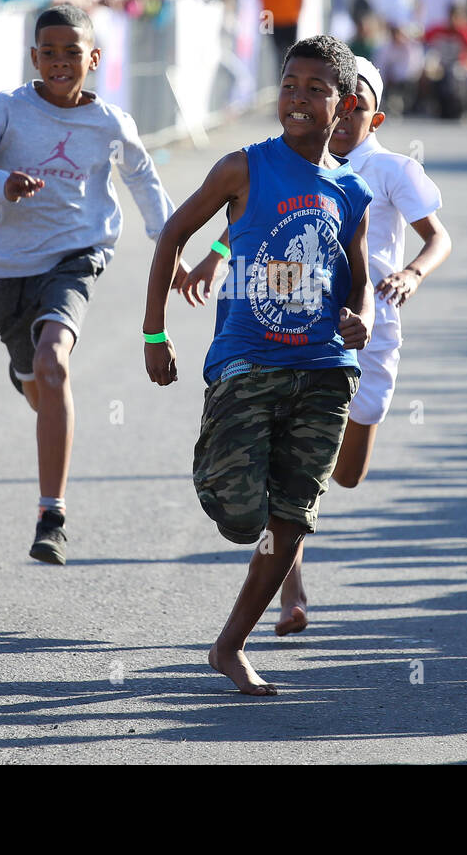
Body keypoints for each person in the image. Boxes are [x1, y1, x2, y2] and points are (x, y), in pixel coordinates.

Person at [180, 57, 448, 639]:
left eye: (355, 104)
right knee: (292, 485)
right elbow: (248, 214)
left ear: (367, 112)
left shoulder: (384, 173)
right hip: (301, 341)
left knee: (346, 476)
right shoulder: (288, 161)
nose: (344, 113)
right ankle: (288, 592)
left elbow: (436, 237)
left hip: (372, 334)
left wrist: (411, 275)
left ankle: (286, 532)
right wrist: (213, 257)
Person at [142, 35, 373, 696]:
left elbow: (358, 278)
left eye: (315, 89)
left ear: (346, 103)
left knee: (294, 514)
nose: (298, 99)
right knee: (243, 514)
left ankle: (230, 646)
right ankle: (219, 464)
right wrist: (153, 330)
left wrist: (361, 316)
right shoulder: (242, 168)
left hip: (328, 368)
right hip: (246, 362)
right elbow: (173, 233)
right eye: (289, 86)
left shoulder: (351, 190)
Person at [0, 5, 185, 564]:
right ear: (33, 58)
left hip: (78, 254)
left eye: (72, 52)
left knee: (54, 363)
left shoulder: (111, 124)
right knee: (35, 379)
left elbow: (147, 189)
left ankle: (52, 515)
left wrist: (174, 255)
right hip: (8, 269)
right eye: (48, 52)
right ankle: (27, 373)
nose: (60, 62)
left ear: (94, 59)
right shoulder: (5, 111)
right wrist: (1, 183)